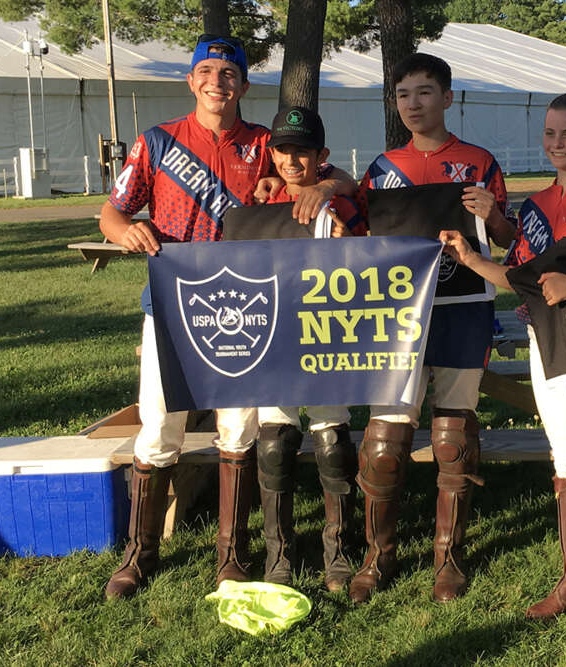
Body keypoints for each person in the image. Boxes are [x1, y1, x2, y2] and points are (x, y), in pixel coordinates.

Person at [99, 35, 354, 599]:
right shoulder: (156, 142)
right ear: (192, 81)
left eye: (229, 73)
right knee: (161, 421)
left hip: (250, 305)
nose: (218, 82)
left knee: (238, 427)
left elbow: (334, 178)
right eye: (207, 71)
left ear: (243, 83)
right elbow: (111, 214)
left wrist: (322, 187)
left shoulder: (266, 143)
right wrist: (126, 231)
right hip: (173, 302)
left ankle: (231, 554)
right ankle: (140, 555)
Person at [440, 92, 566, 650]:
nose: (557, 144)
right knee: (564, 463)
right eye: (550, 133)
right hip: (543, 344)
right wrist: (468, 255)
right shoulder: (534, 207)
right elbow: (518, 275)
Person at [349, 53, 516, 604]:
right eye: (403, 95)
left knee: (453, 436)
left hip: (463, 306)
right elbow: (360, 239)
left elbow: (512, 239)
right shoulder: (382, 169)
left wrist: (492, 215)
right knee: (383, 439)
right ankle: (379, 555)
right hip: (398, 314)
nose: (413, 104)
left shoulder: (478, 161)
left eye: (424, 93)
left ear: (447, 97)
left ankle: (448, 557)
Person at [251, 105, 366, 591]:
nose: (291, 160)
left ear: (321, 155)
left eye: (302, 151)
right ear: (271, 152)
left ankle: (337, 547)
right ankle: (279, 550)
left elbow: (368, 260)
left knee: (331, 437)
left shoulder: (342, 200)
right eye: (283, 150)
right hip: (273, 332)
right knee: (274, 438)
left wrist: (344, 236)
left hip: (326, 331)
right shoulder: (258, 199)